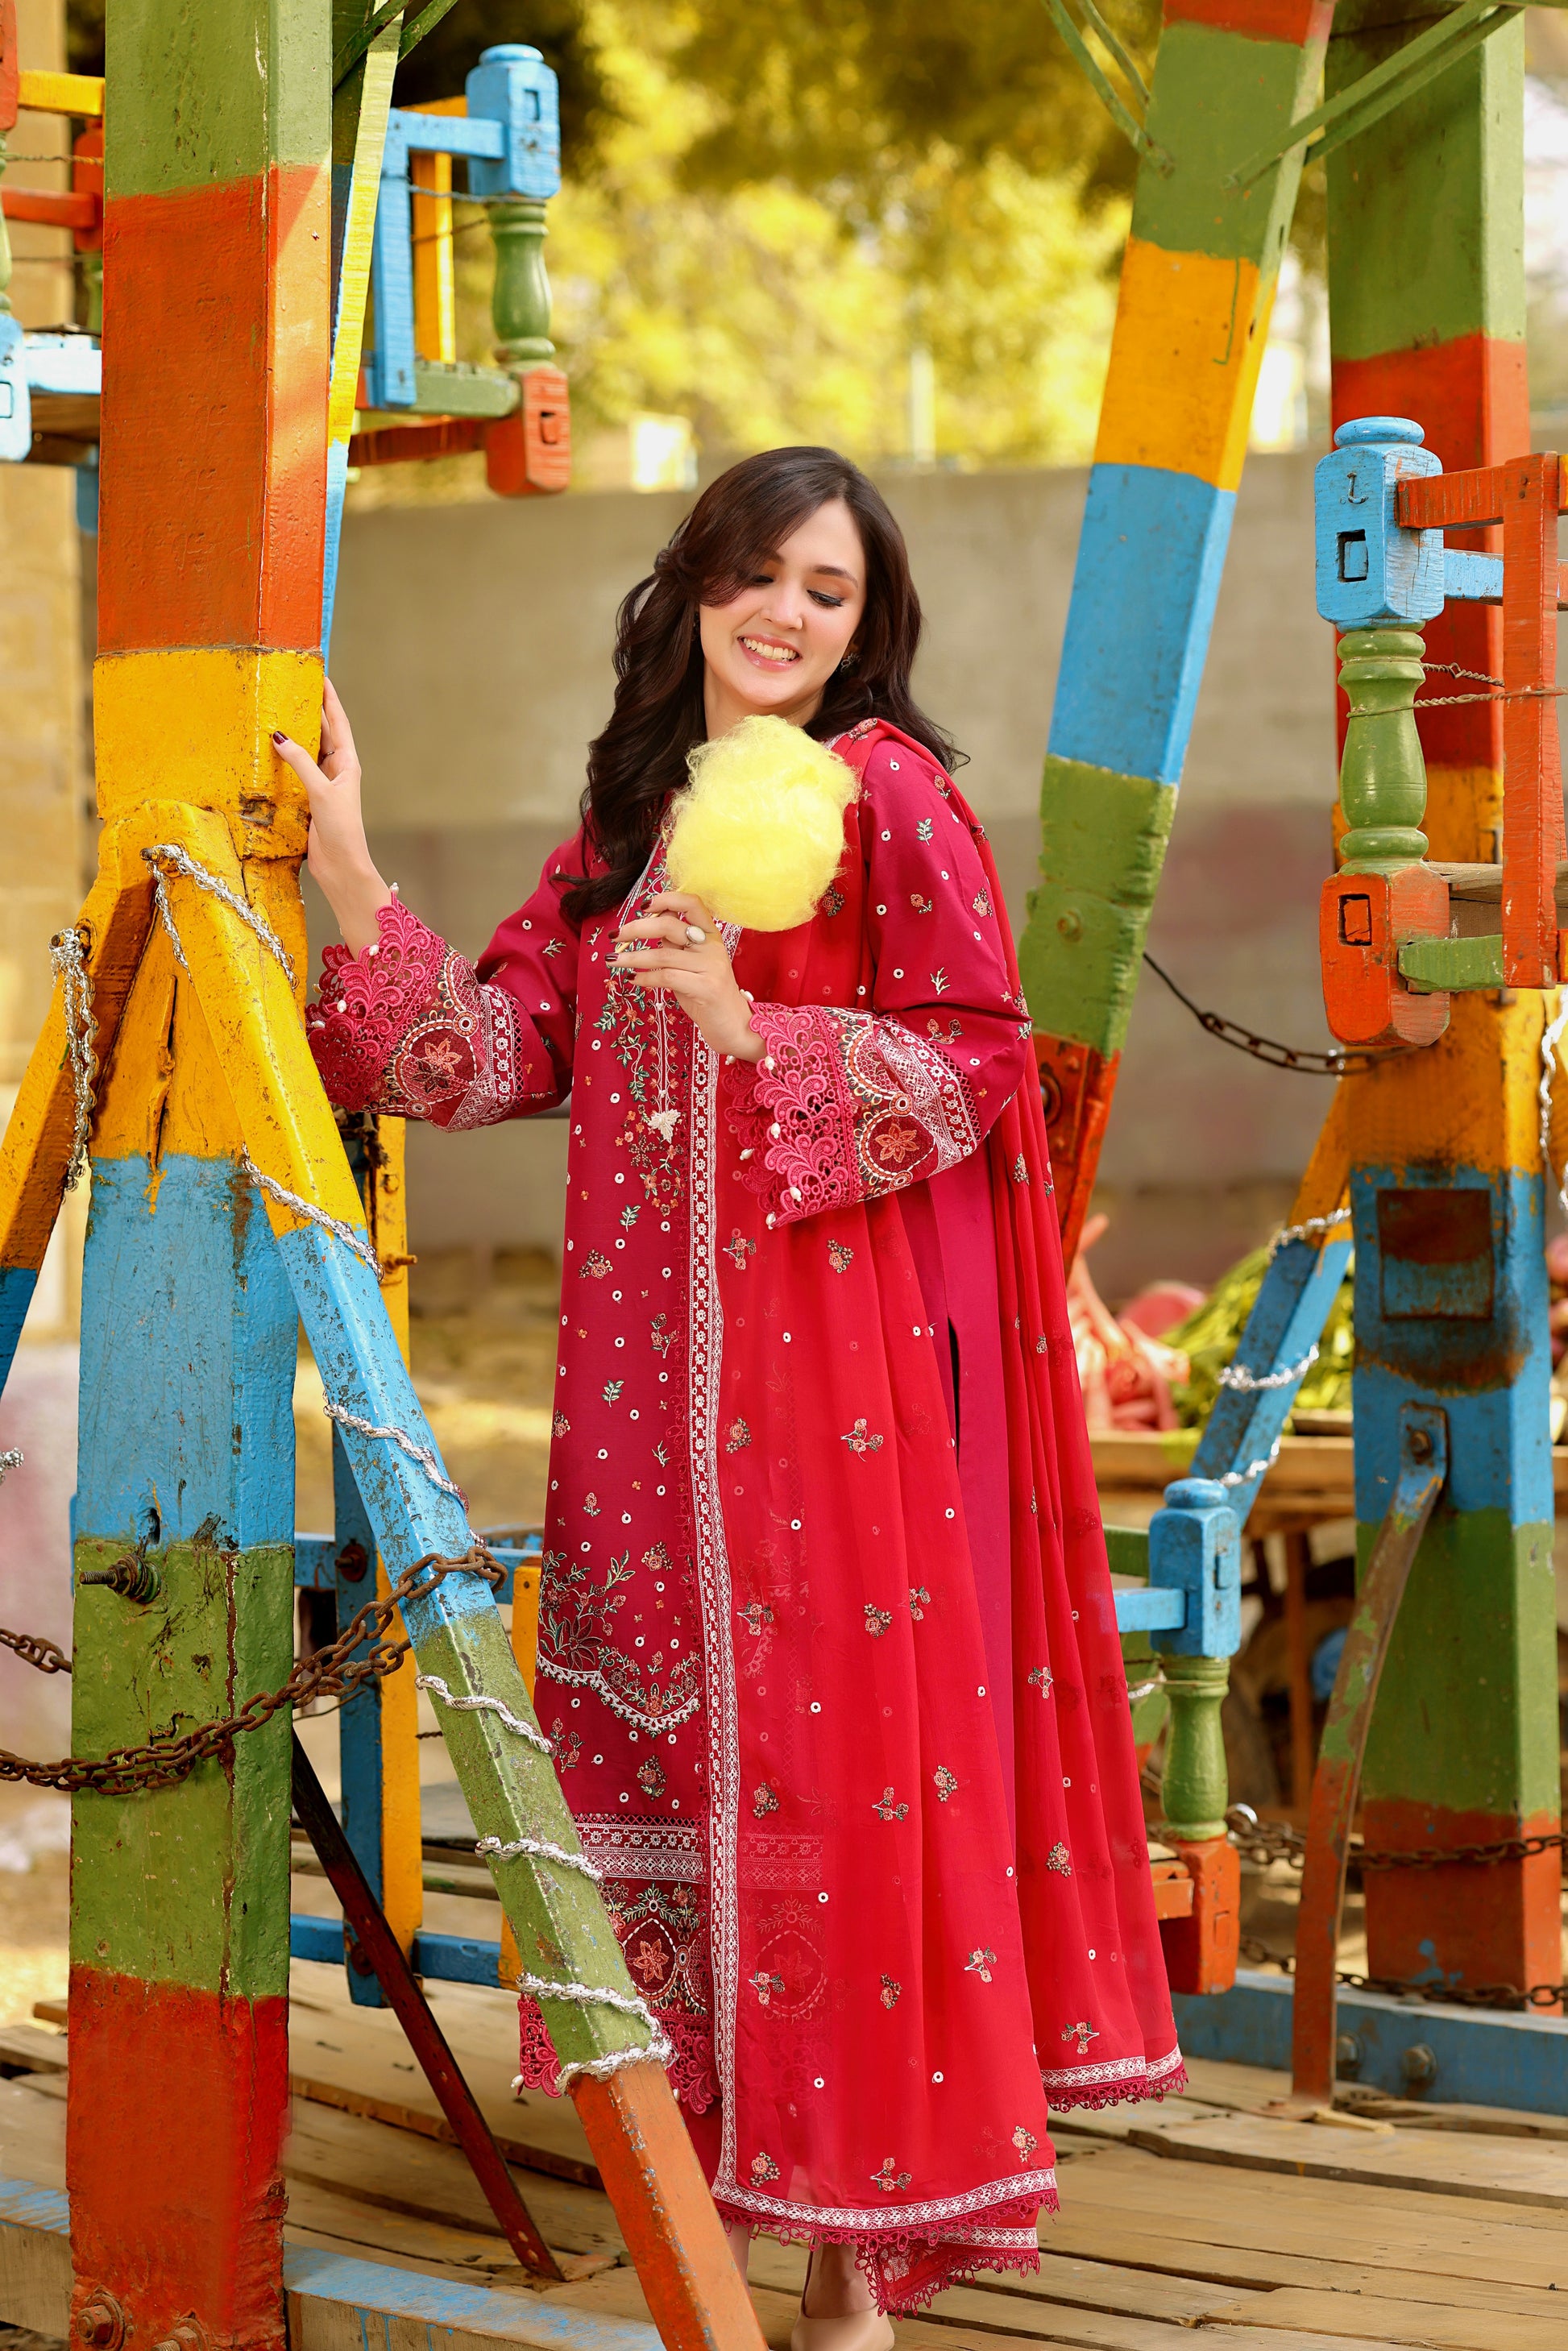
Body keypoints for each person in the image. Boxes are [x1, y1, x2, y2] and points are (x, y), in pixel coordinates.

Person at [278, 446, 1182, 2351]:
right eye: (757, 572)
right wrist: (349, 863)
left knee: (841, 1792)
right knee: (682, 1804)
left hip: (832, 1402)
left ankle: (851, 2271)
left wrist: (748, 1024)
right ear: (692, 583)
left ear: (866, 625)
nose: (783, 613)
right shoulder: (632, 814)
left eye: (826, 591)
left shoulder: (889, 796)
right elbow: (483, 1056)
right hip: (634, 1410)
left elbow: (981, 1064)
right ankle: (712, 2232)